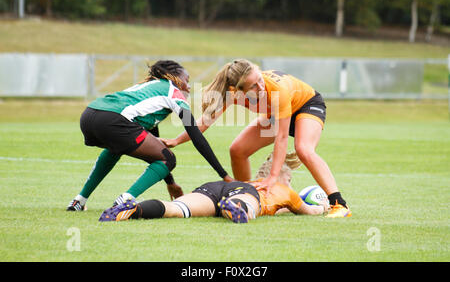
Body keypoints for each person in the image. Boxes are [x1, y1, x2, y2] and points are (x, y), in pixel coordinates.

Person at [161, 59, 351, 218]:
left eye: (260, 79)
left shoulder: (277, 90)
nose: (261, 86)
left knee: (304, 149)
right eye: (253, 85)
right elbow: (205, 122)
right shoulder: (232, 93)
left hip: (306, 105)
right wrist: (177, 140)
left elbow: (282, 137)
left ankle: (339, 204)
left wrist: (272, 177)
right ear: (238, 89)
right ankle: (245, 195)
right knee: (237, 150)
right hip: (275, 114)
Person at [67, 60, 233, 211]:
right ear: (174, 77)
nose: (188, 87)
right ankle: (125, 200)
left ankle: (79, 201)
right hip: (114, 119)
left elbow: (152, 137)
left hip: (90, 114)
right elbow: (197, 137)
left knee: (116, 147)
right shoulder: (174, 93)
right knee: (169, 159)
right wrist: (224, 175)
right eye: (187, 80)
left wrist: (170, 182)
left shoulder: (149, 87)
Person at [98, 152, 329, 223]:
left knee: (177, 208)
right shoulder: (285, 192)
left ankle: (134, 210)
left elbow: (279, 209)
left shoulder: (253, 183)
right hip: (243, 196)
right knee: (249, 206)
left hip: (217, 188)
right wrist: (323, 206)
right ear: (284, 178)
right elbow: (308, 210)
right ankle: (235, 207)